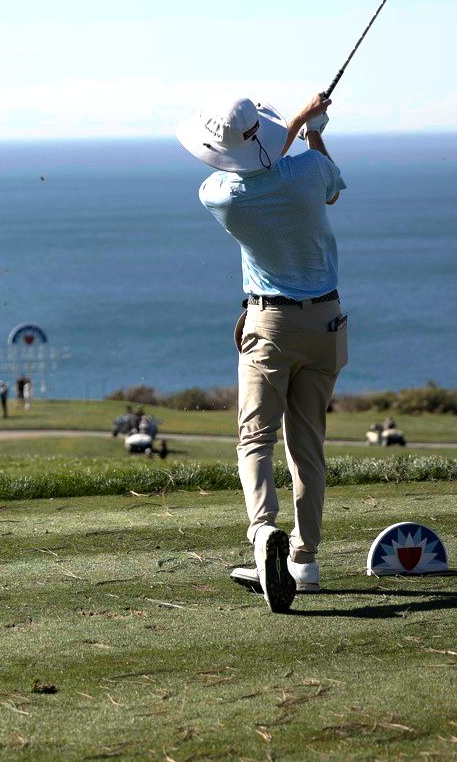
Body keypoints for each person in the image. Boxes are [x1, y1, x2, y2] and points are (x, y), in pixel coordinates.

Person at [179, 92, 346, 613]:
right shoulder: (308, 174)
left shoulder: (219, 195)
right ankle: (306, 559)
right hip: (326, 322)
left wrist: (296, 124)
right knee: (307, 444)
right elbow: (330, 184)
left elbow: (255, 164)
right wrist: (311, 124)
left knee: (256, 439)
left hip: (269, 325)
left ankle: (262, 534)